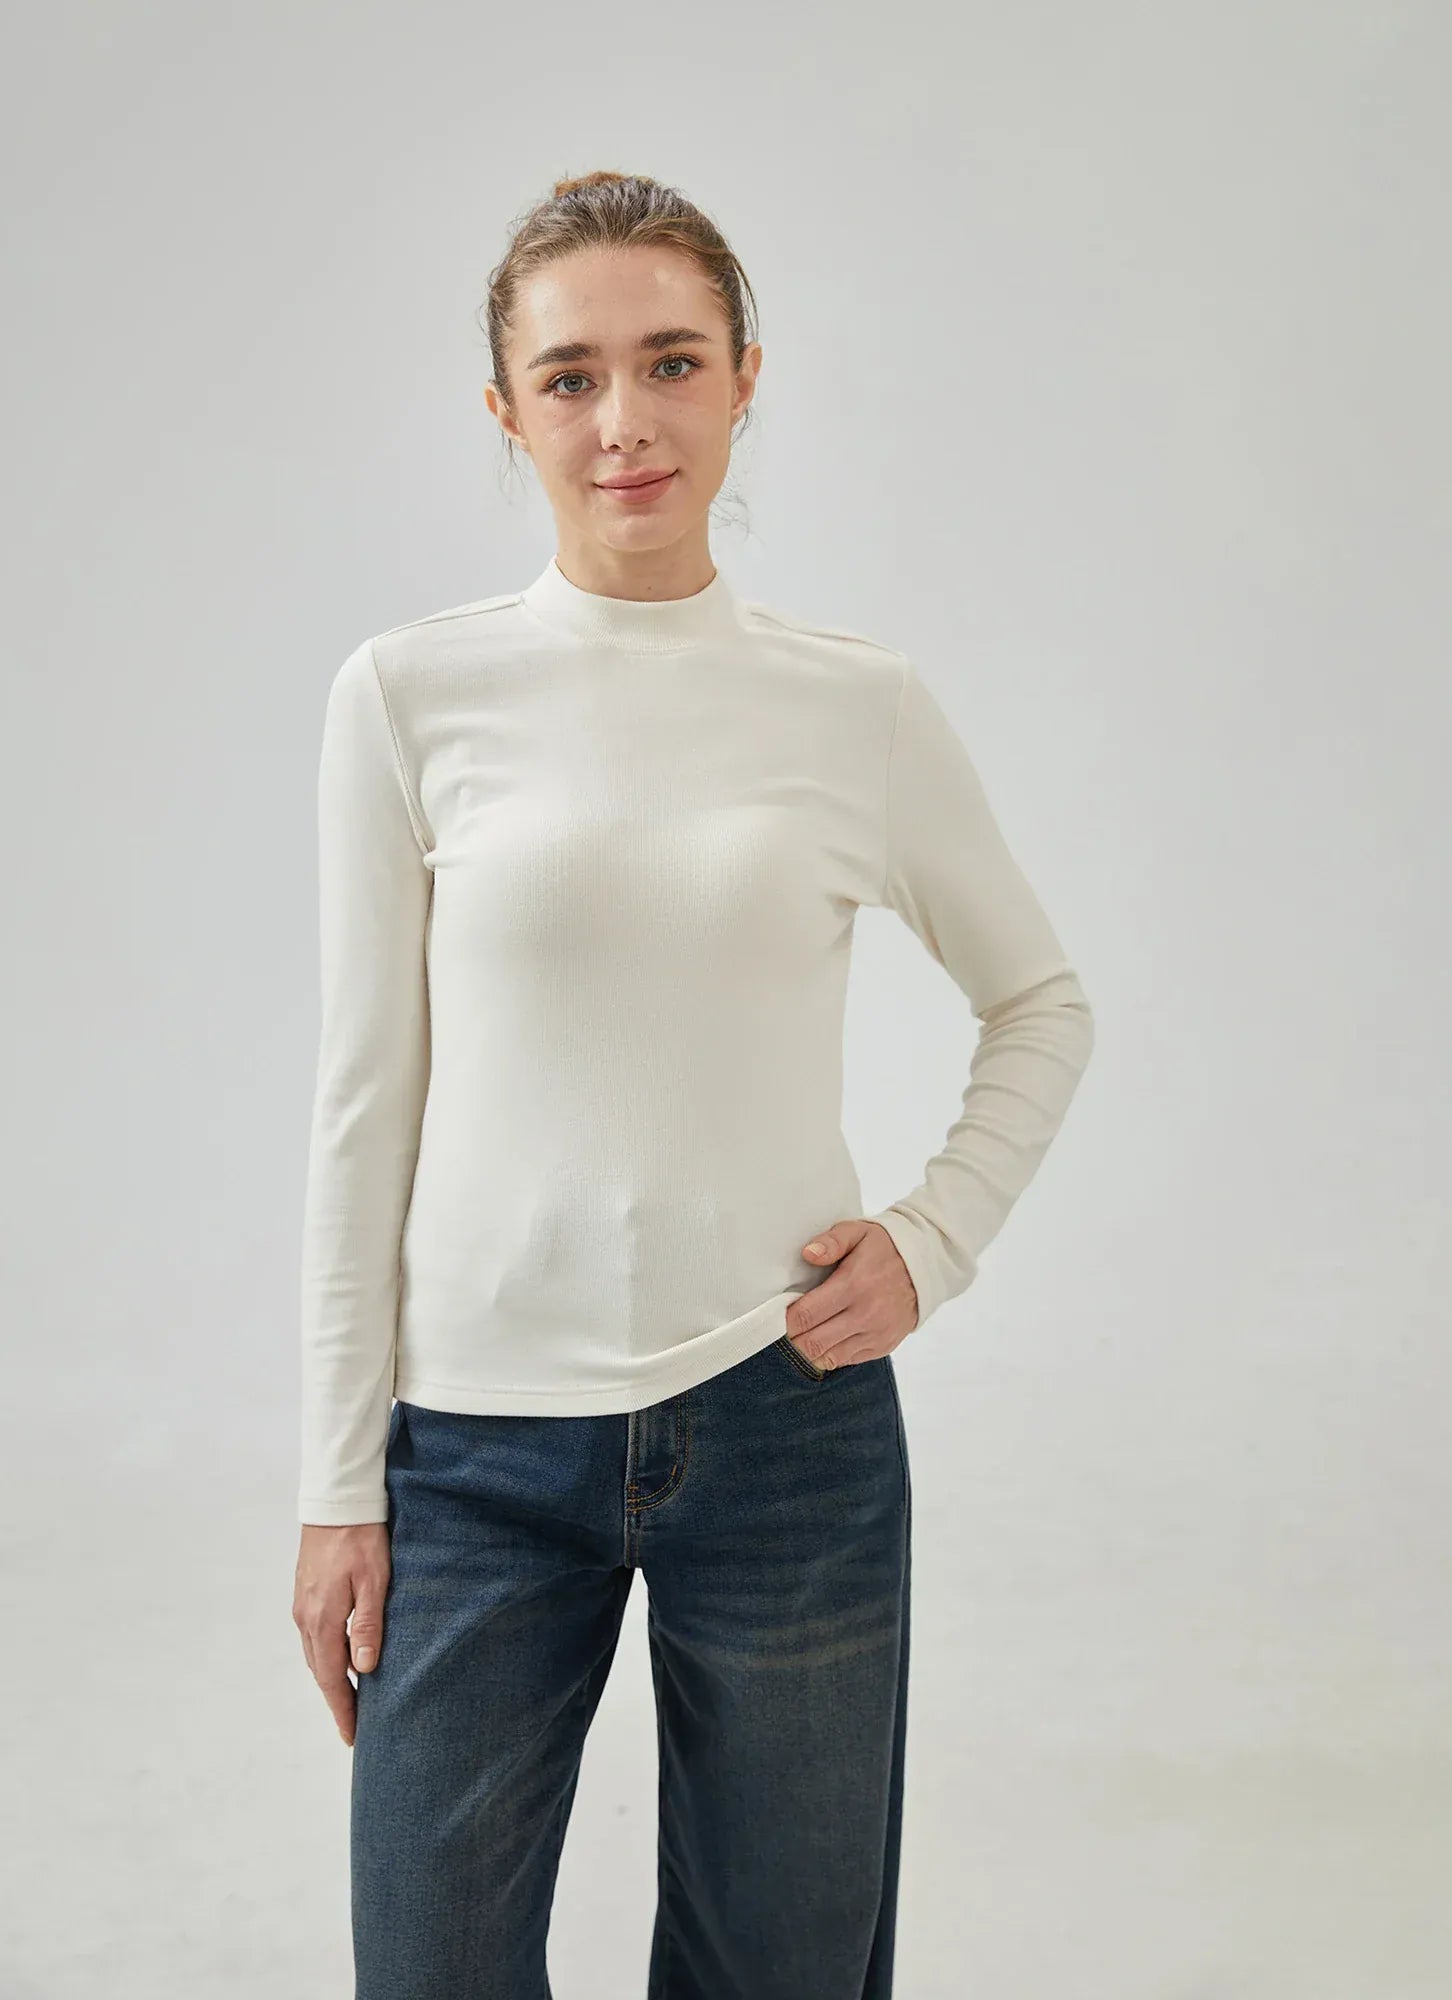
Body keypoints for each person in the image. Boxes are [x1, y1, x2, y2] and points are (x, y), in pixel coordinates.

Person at [291, 168, 1095, 1998]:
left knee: (782, 1973)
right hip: (474, 1451)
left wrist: (934, 1239)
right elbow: (362, 1109)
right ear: (506, 412)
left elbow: (1039, 1002)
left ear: (745, 380)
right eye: (569, 377)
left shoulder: (855, 707)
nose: (625, 421)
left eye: (670, 362)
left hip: (784, 1423)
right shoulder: (408, 697)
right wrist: (340, 1485)